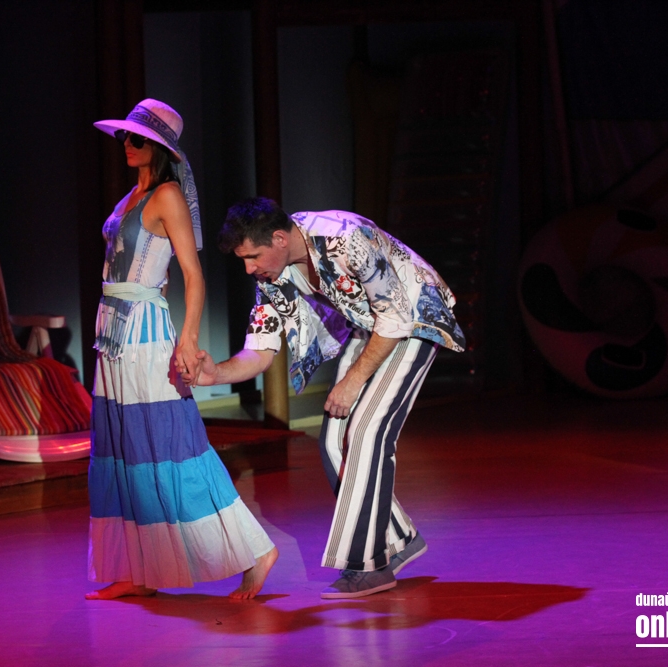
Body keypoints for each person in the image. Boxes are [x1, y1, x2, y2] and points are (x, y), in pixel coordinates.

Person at [187, 198, 465, 599]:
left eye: (252, 257)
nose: (248, 268)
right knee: (335, 443)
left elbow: (396, 316)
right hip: (371, 325)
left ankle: (370, 566)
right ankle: (398, 540)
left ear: (279, 239)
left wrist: (352, 381)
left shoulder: (347, 238)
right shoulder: (272, 274)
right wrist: (216, 374)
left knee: (367, 433)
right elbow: (261, 349)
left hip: (413, 317)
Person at [85, 100, 278, 601]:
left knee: (171, 444)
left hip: (144, 331)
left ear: (160, 148)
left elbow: (193, 275)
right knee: (125, 448)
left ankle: (255, 551)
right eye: (125, 137)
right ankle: (138, 568)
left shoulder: (166, 195)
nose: (127, 145)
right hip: (113, 331)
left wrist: (188, 338)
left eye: (138, 139)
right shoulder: (132, 196)